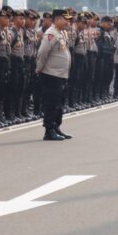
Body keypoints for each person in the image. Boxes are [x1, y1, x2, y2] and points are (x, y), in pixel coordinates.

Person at [35, 9, 73, 141]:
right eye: (65, 19)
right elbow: (43, 52)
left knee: (59, 103)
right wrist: (39, 68)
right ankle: (49, 130)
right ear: (57, 19)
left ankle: (56, 126)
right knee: (51, 103)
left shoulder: (61, 33)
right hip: (51, 74)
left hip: (60, 75)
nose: (68, 22)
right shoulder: (51, 33)